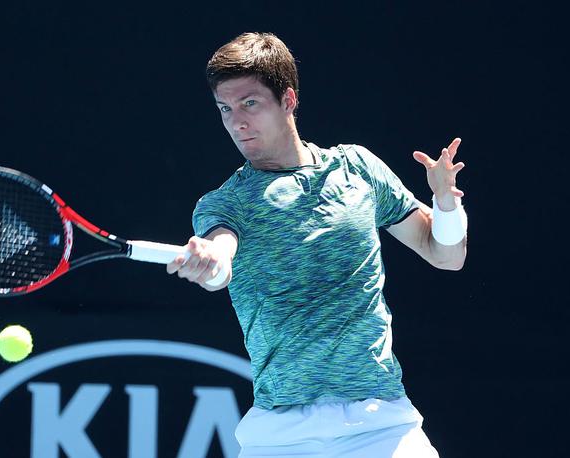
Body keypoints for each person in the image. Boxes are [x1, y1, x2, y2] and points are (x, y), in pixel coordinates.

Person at [167, 32, 467, 457]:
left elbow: (446, 255)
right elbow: (220, 256)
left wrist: (444, 204)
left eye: (250, 103)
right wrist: (211, 261)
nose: (237, 122)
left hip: (380, 425)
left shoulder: (359, 169)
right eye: (225, 109)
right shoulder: (225, 203)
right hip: (282, 433)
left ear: (288, 99)